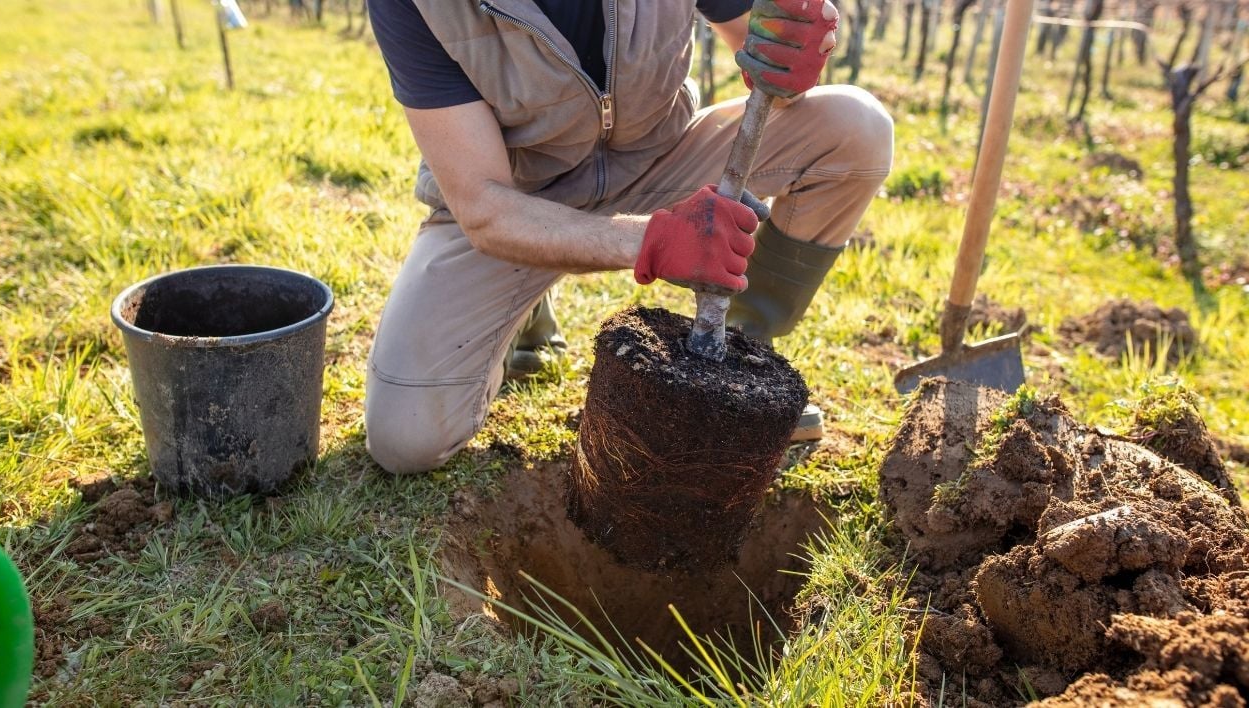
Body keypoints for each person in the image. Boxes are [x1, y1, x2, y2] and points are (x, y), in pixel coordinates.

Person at [365, 0, 894, 474]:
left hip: (659, 157)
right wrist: (652, 242)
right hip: (518, 199)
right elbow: (483, 205)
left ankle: (735, 363)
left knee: (856, 126)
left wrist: (788, 55)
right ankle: (521, 306)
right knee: (407, 437)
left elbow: (755, 42)